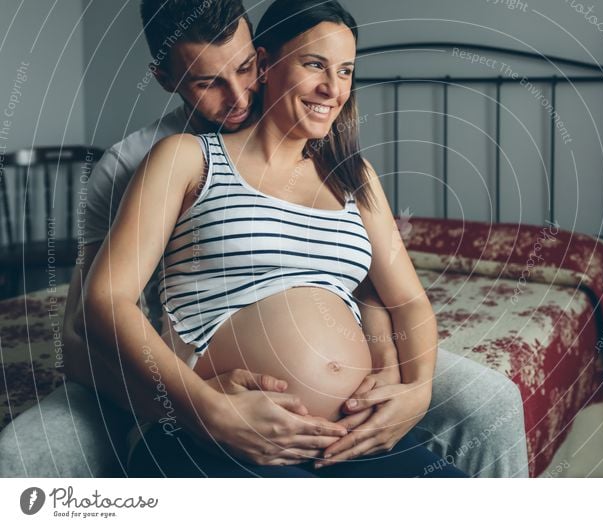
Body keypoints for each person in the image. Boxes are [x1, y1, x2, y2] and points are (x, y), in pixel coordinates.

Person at [0, 0, 528, 479]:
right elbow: (87, 326)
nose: (239, 95)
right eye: (208, 82)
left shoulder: (347, 171)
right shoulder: (158, 159)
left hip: (344, 427)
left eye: (246, 68)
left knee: (490, 410)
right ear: (165, 79)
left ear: (261, 55)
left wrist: (409, 387)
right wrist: (202, 407)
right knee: (24, 455)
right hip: (198, 390)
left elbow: (383, 294)